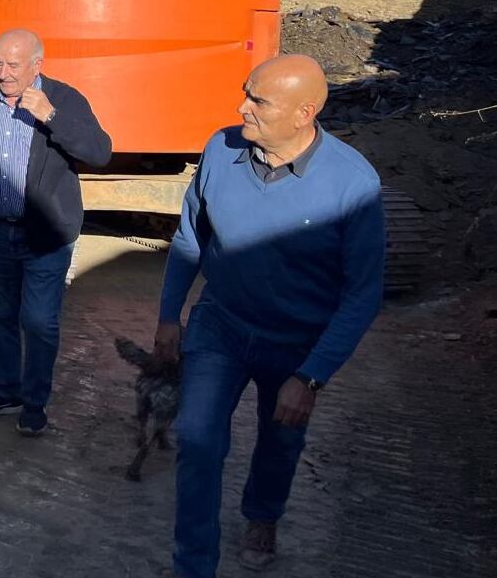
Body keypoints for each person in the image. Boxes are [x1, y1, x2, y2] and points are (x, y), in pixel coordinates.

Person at [154, 54, 386, 578]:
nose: (242, 107)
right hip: (222, 324)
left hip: (296, 342)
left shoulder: (353, 186)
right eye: (246, 93)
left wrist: (312, 376)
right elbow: (192, 235)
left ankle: (263, 514)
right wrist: (170, 315)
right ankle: (193, 566)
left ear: (304, 113)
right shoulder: (221, 148)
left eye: (259, 100)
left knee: (281, 438)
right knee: (197, 439)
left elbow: (363, 295)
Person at [0, 28, 112, 436]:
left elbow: (100, 151)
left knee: (39, 321)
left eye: (13, 65)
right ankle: (7, 392)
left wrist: (51, 117)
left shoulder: (63, 98)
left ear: (37, 66)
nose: (2, 73)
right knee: (0, 316)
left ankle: (35, 402)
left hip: (44, 233)